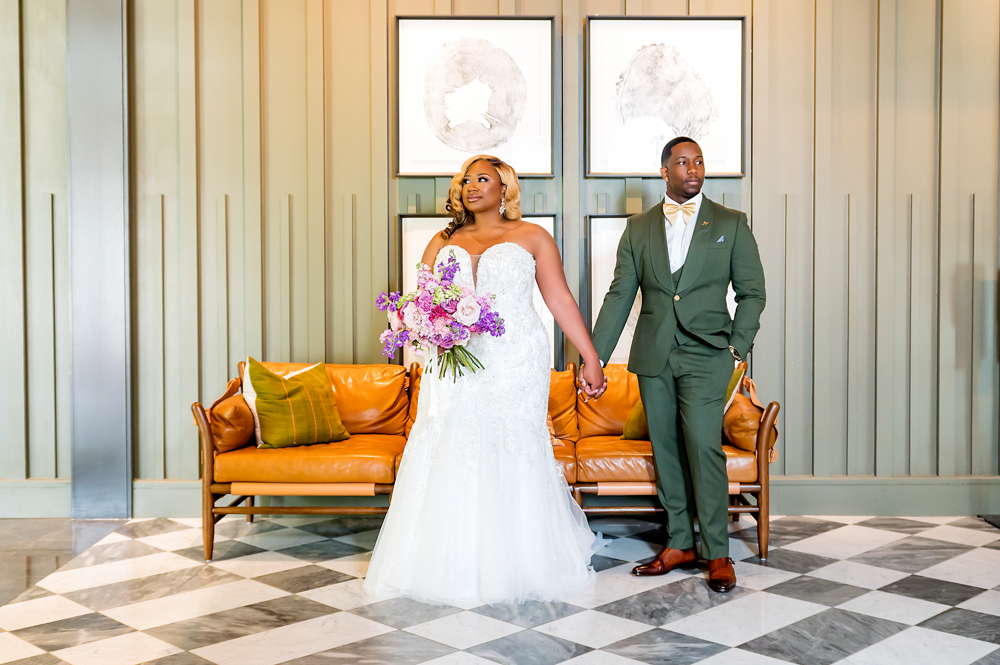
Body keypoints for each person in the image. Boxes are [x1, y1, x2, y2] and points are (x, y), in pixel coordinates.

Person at [364, 154, 608, 605]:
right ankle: (448, 560)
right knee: (451, 443)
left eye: (483, 179)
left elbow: (560, 300)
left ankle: (522, 559)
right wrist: (427, 327)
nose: (471, 186)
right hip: (454, 361)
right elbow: (423, 302)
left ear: (504, 188)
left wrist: (590, 358)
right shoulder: (442, 240)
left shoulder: (532, 236)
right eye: (465, 180)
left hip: (515, 359)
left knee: (512, 444)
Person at [583, 137, 765, 593]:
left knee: (704, 448)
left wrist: (737, 347)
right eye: (682, 162)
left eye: (699, 160)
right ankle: (680, 543)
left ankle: (718, 552)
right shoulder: (639, 227)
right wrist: (595, 358)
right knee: (666, 451)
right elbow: (619, 295)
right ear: (665, 171)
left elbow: (752, 292)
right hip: (654, 355)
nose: (693, 168)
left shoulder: (731, 223)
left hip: (708, 354)